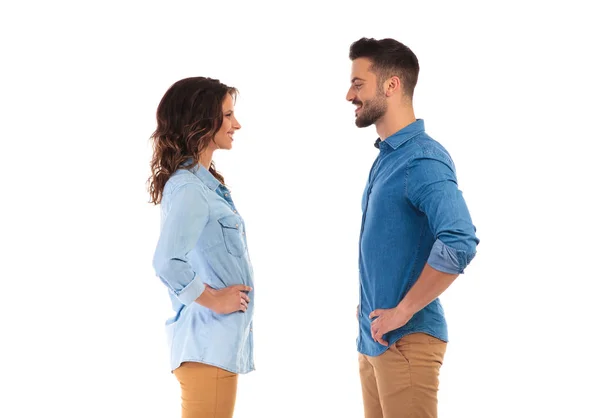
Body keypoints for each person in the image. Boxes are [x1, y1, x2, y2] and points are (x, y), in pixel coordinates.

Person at [346, 38, 480, 418]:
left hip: (406, 342)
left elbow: (459, 240)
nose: (348, 95)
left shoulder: (422, 157)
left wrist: (402, 311)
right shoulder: (387, 158)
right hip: (374, 343)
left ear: (391, 86)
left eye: (358, 84)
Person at [148, 76, 254, 418]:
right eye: (227, 115)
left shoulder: (205, 187)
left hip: (213, 350)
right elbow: (166, 261)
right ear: (201, 121)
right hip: (207, 349)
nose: (236, 124)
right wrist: (213, 298)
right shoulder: (191, 189)